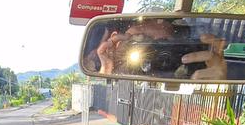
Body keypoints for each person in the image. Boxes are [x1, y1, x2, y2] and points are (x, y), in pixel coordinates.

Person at [88, 18, 227, 80]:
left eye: (167, 43)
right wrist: (108, 71)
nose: (161, 53)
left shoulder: (200, 56)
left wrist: (223, 77)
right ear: (118, 42)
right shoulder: (128, 70)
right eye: (142, 41)